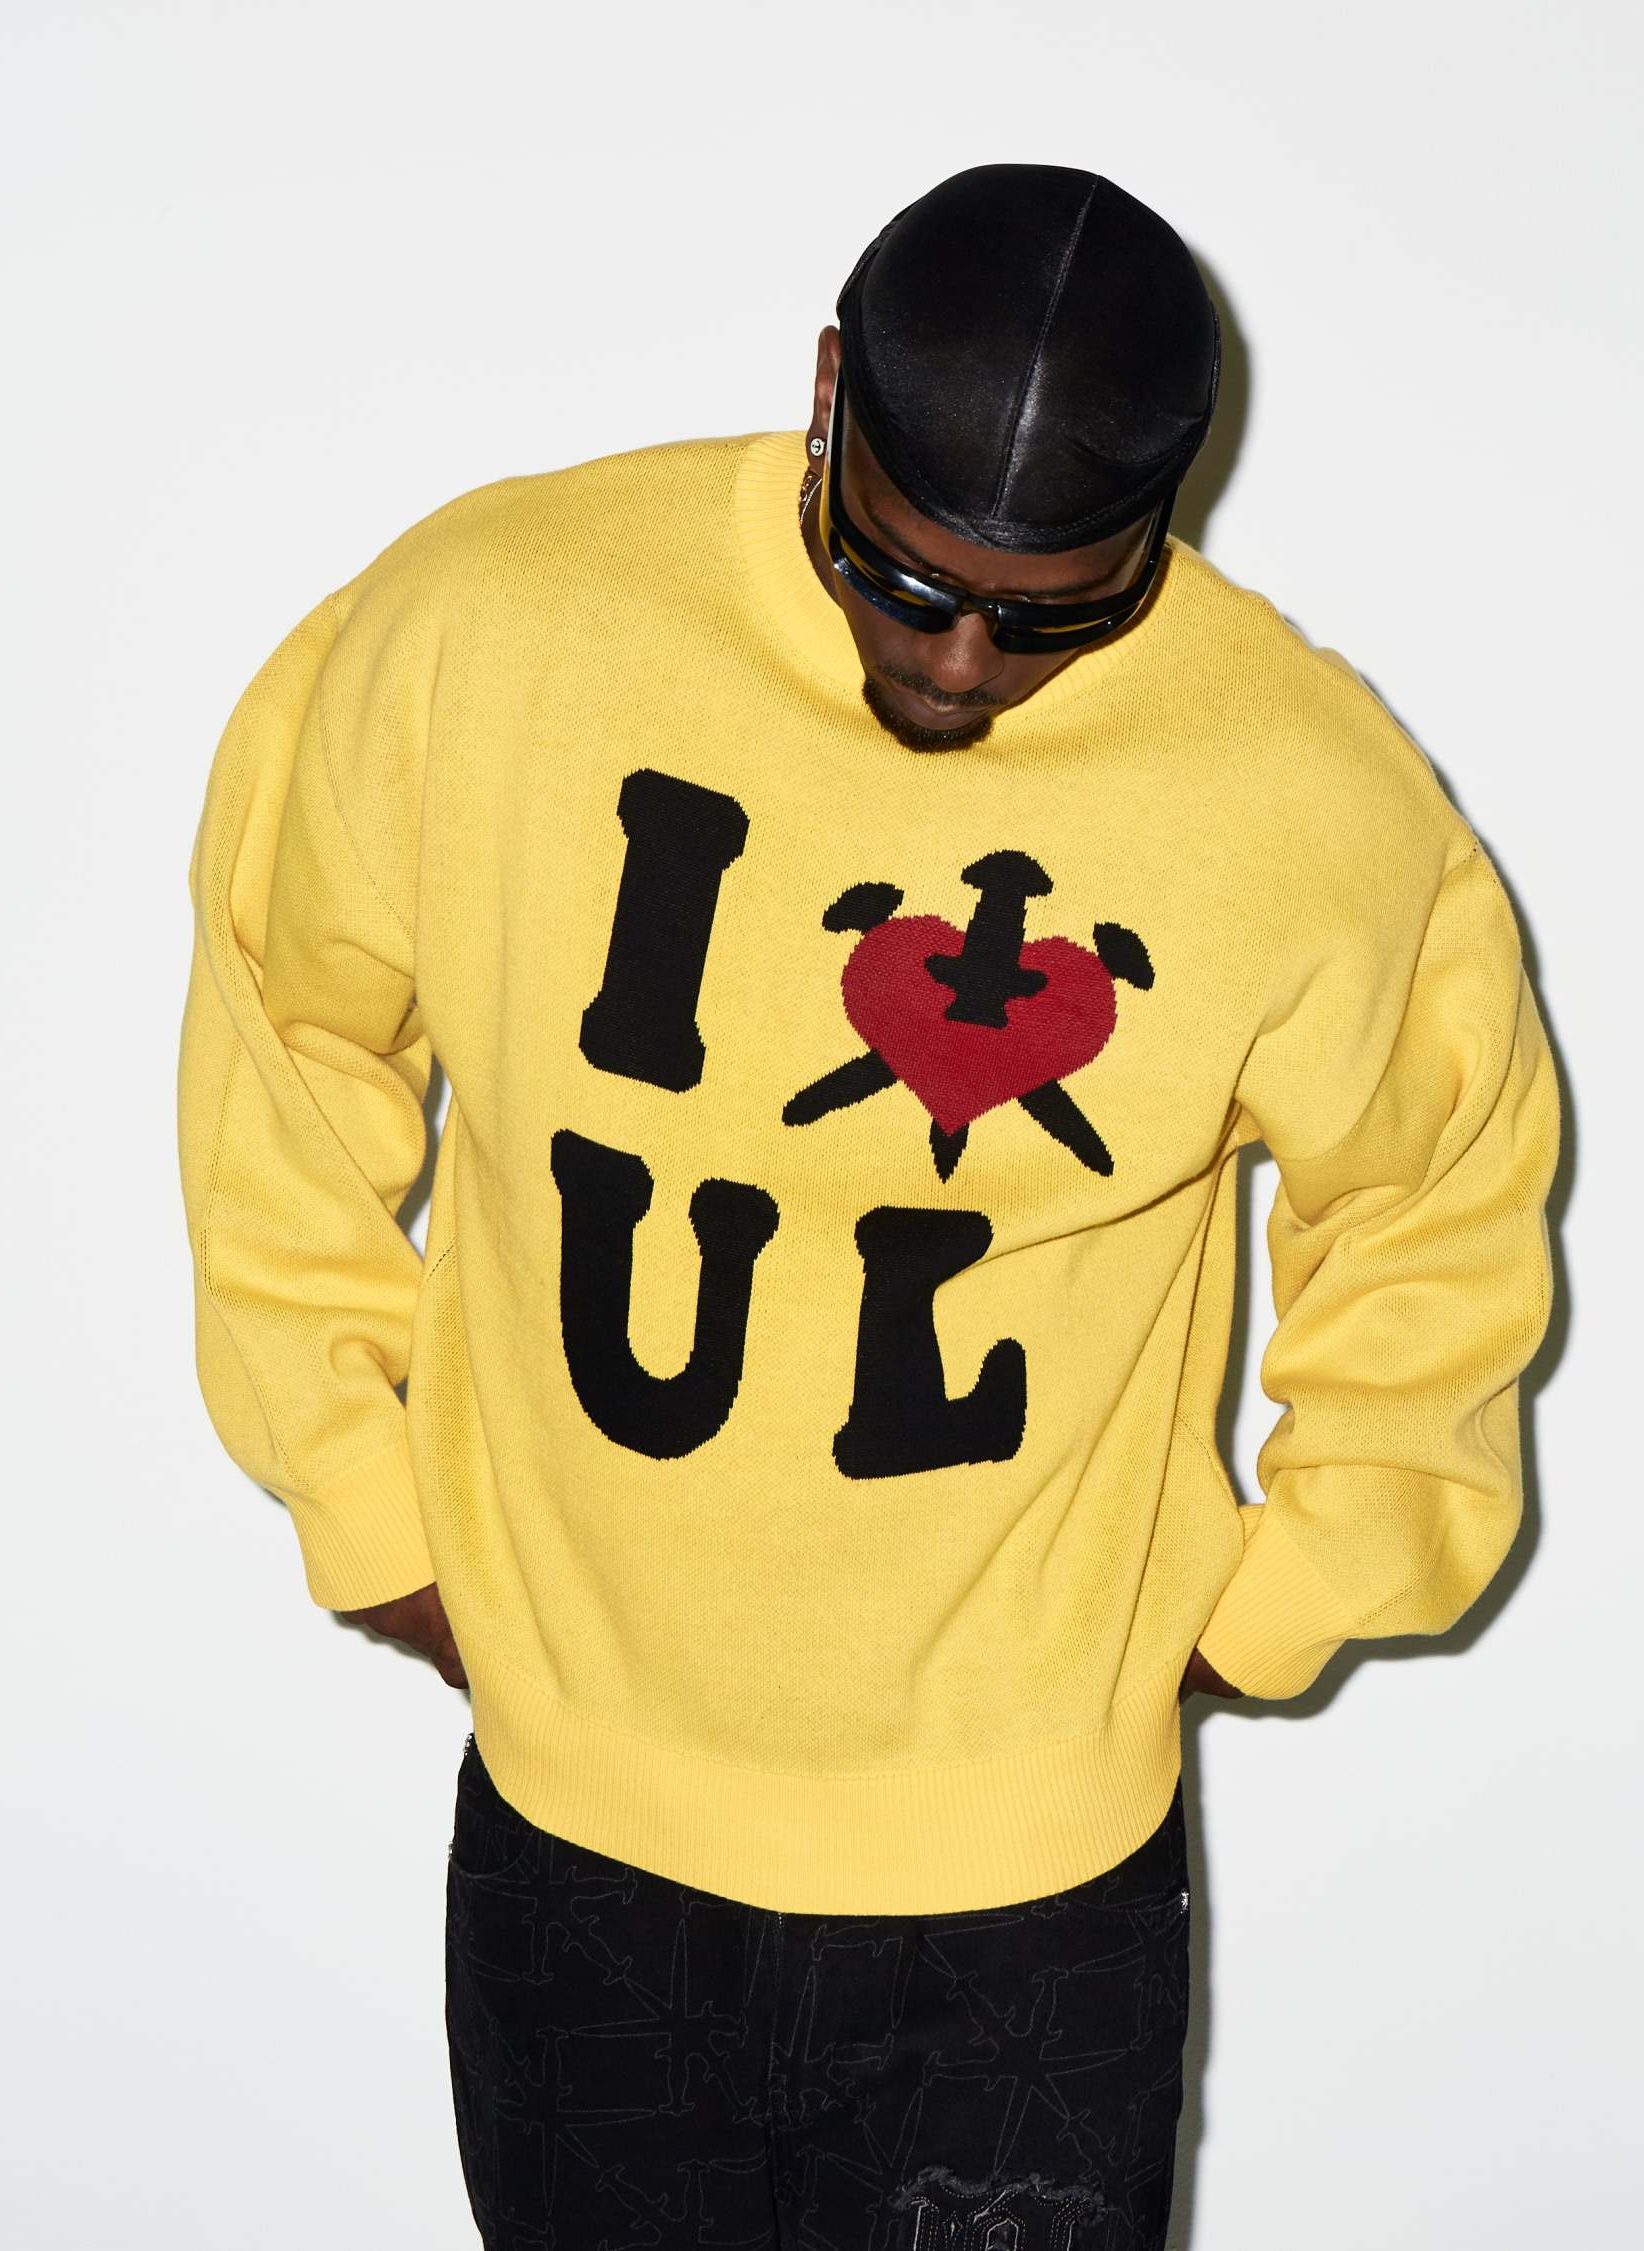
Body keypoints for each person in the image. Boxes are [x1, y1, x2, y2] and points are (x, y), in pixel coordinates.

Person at [176, 162, 1561, 2247]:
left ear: (1168, 516)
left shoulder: (1309, 793)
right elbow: (286, 1024)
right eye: (903, 579)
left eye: (1057, 612)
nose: (964, 662)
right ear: (826, 397)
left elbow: (1436, 1201)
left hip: (1031, 1905)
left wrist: (1282, 1593)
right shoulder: (492, 626)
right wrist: (360, 1498)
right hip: (579, 1838)